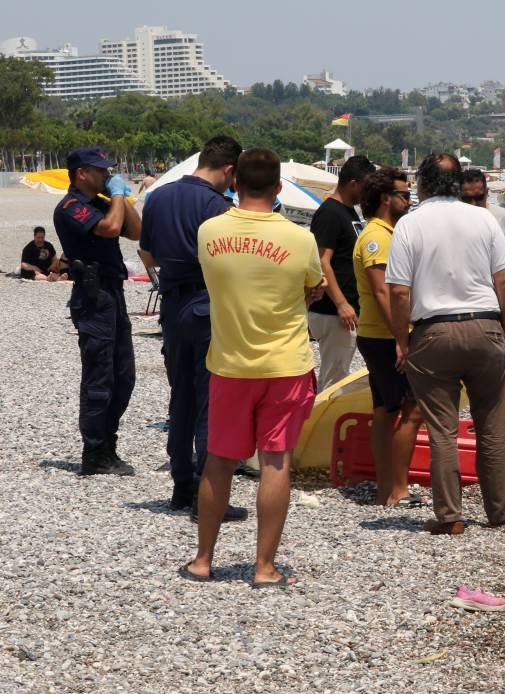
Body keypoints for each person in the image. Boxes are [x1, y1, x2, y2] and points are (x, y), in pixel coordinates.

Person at [182, 148, 324, 587]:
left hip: (229, 364)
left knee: (219, 462)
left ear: (235, 182)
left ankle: (203, 559)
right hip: (286, 364)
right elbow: (313, 287)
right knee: (275, 462)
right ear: (280, 187)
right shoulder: (300, 238)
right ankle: (264, 568)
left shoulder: (210, 231)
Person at [385, 153, 505, 535]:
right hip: (485, 326)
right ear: (459, 185)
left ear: (422, 185)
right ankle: (497, 511)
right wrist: (504, 332)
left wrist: (401, 340)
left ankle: (450, 516)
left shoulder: (410, 224)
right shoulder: (483, 220)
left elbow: (397, 291)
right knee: (492, 428)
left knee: (443, 430)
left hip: (433, 331)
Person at [139, 135, 248, 520]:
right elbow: (231, 263)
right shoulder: (216, 206)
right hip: (206, 303)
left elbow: (147, 253)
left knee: (180, 398)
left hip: (171, 305)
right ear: (229, 170)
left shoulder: (159, 197)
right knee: (210, 401)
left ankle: (182, 488)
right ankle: (208, 494)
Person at [53, 147, 141, 476]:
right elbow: (109, 229)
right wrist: (116, 197)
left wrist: (121, 197)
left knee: (124, 375)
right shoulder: (70, 207)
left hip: (112, 293)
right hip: (93, 297)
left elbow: (136, 230)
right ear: (82, 174)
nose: (107, 175)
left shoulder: (102, 203)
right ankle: (94, 451)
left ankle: (108, 443)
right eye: (101, 171)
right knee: (99, 378)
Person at [353, 167, 424, 506]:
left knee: (385, 409)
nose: (410, 201)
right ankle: (398, 488)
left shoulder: (386, 232)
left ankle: (385, 488)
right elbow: (383, 293)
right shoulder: (377, 236)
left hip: (378, 334)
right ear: (386, 198)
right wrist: (402, 338)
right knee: (410, 410)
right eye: (404, 195)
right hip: (384, 336)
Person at [308, 155, 375, 392]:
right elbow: (322, 261)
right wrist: (341, 303)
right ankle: (321, 427)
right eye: (366, 187)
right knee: (333, 380)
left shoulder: (349, 212)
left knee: (340, 374)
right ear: (353, 183)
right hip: (333, 311)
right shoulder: (330, 213)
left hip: (348, 308)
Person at [461, 169, 505, 290]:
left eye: (479, 197)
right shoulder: (455, 218)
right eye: (467, 198)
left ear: (487, 192)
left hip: (496, 290)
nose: (473, 203)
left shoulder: (503, 216)